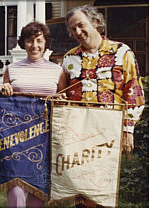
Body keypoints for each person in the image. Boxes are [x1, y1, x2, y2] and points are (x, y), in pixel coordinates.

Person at [62, 5, 145, 208]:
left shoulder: (121, 52)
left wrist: (128, 129)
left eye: (81, 25)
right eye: (73, 29)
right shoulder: (69, 58)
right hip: (78, 134)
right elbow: (62, 96)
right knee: (81, 187)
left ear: (96, 23)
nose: (77, 32)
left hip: (109, 132)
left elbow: (134, 93)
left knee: (103, 188)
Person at [0, 21, 67, 208]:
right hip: (15, 136)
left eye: (39, 40)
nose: (34, 46)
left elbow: (63, 102)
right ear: (23, 43)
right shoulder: (12, 69)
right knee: (16, 186)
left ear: (46, 43)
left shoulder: (58, 71)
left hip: (45, 136)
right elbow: (4, 102)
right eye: (29, 41)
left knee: (38, 188)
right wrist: (4, 88)